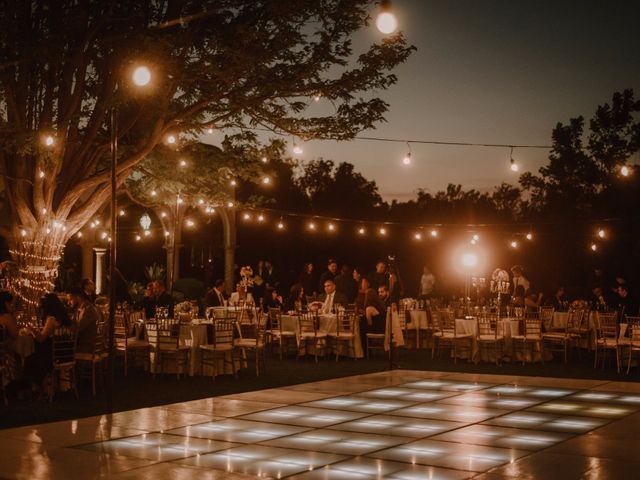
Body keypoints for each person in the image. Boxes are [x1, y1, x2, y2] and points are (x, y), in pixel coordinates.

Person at [7, 293, 73, 400]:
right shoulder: (64, 317)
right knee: (32, 359)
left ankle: (26, 389)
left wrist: (31, 330)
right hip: (66, 354)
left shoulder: (51, 319)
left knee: (30, 360)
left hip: (53, 356)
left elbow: (41, 338)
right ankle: (32, 389)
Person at [67, 287, 100, 355]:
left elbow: (77, 329)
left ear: (78, 298)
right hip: (80, 344)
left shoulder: (88, 310)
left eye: (70, 299)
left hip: (85, 347)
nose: (68, 303)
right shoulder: (79, 309)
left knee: (58, 350)